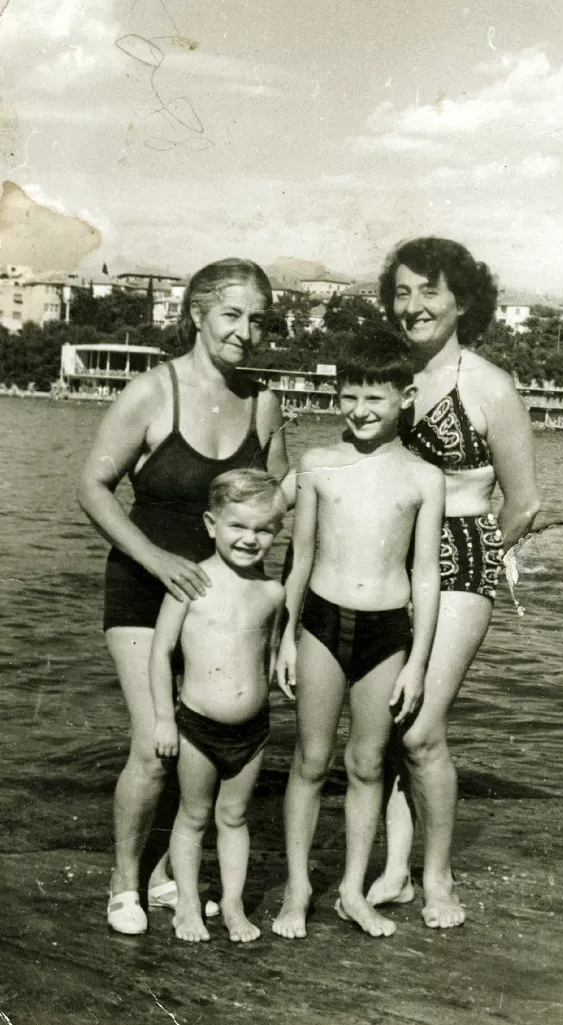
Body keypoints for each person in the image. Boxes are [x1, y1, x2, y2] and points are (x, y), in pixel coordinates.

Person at [77, 259, 289, 935]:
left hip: (223, 603)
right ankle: (123, 882)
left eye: (258, 318)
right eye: (232, 314)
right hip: (144, 587)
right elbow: (92, 486)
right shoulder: (152, 392)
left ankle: (174, 872)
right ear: (196, 314)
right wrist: (159, 559)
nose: (246, 331)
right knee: (153, 742)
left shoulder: (263, 403)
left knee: (212, 728)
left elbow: (278, 498)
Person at [365, 237, 540, 928]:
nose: (412, 306)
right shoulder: (386, 371)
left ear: (463, 300)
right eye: (402, 292)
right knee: (382, 726)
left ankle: (436, 878)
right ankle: (394, 872)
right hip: (386, 552)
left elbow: (524, 502)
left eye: (429, 291)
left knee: (422, 730)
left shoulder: (490, 386)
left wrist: (482, 556)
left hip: (463, 551)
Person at [272, 331, 445, 940]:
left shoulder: (425, 478)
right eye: (349, 396)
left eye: (375, 397)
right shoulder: (318, 464)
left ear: (406, 395)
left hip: (388, 634)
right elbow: (299, 558)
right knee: (312, 760)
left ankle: (350, 890)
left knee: (369, 763)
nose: (361, 410)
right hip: (321, 622)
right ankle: (297, 889)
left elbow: (425, 574)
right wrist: (286, 638)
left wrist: (419, 662)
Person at [151, 470, 286, 943]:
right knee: (193, 815)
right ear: (212, 524)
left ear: (277, 531)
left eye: (263, 529)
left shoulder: (273, 593)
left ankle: (231, 903)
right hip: (196, 727)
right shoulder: (192, 583)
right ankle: (187, 904)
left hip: (253, 731)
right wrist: (165, 719)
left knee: (234, 817)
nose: (250, 539)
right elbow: (160, 650)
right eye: (238, 526)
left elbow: (267, 655)